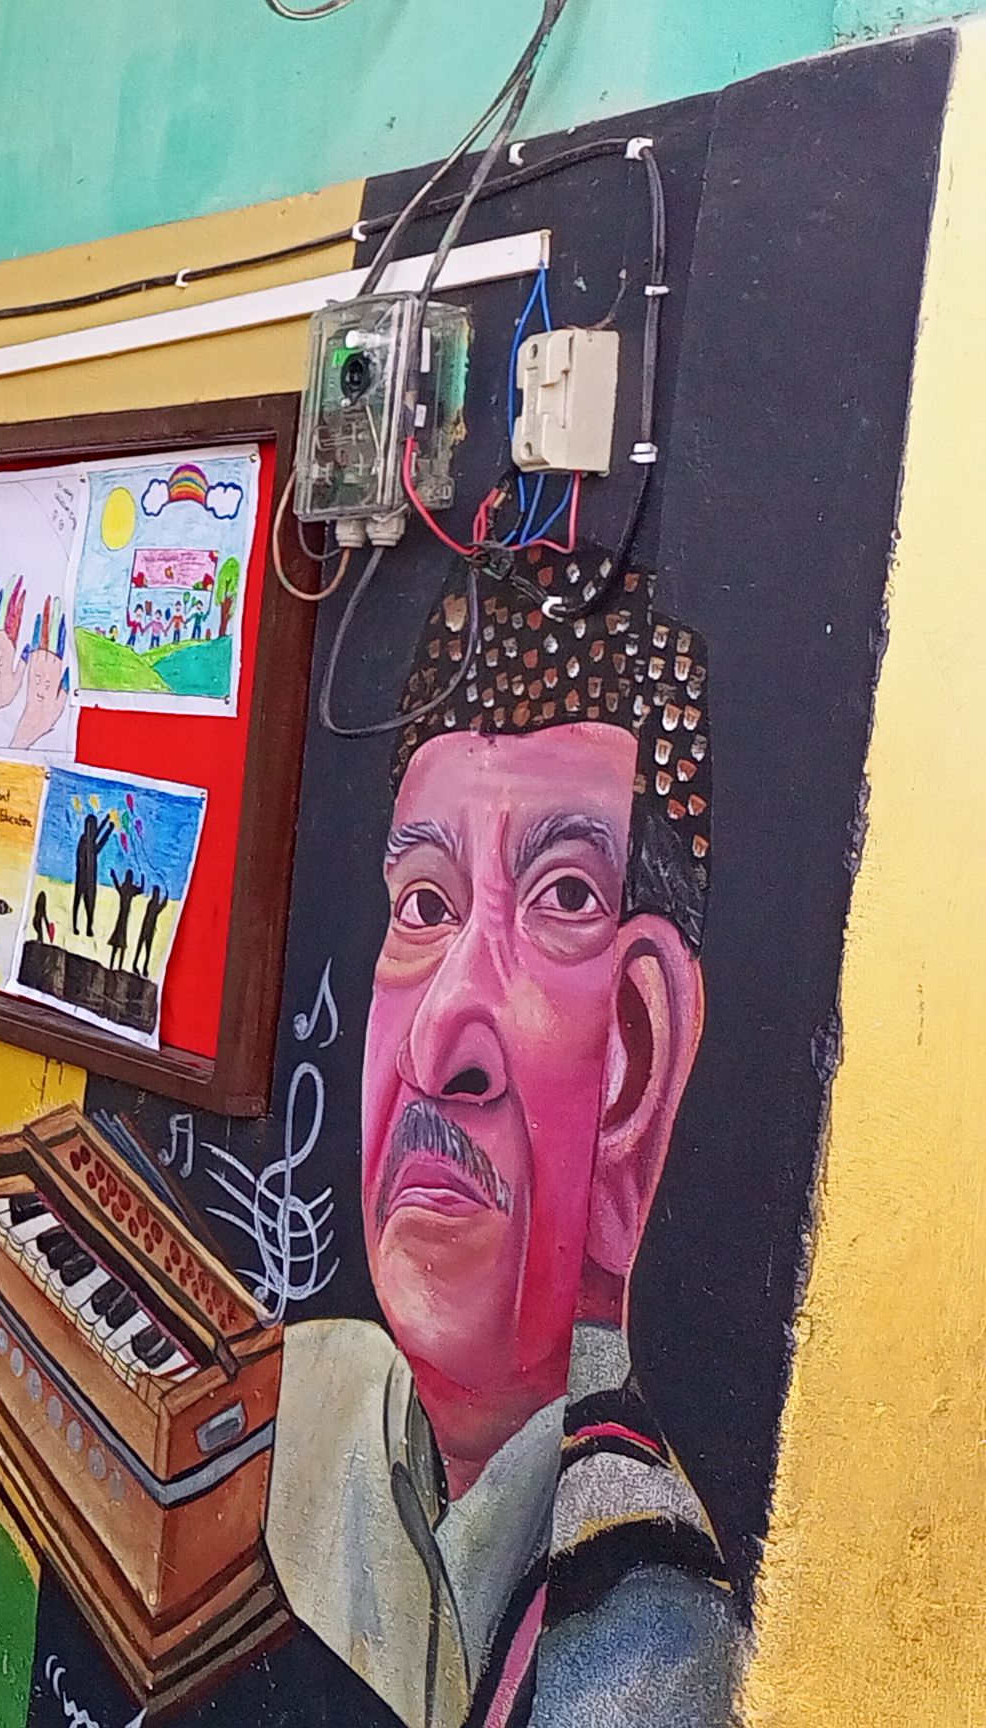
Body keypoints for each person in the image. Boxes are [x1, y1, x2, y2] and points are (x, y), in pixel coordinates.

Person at [263, 565, 737, 1727]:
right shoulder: (319, 1400)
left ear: (637, 1054)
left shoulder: (639, 1634)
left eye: (561, 898)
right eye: (424, 907)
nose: (440, 1042)